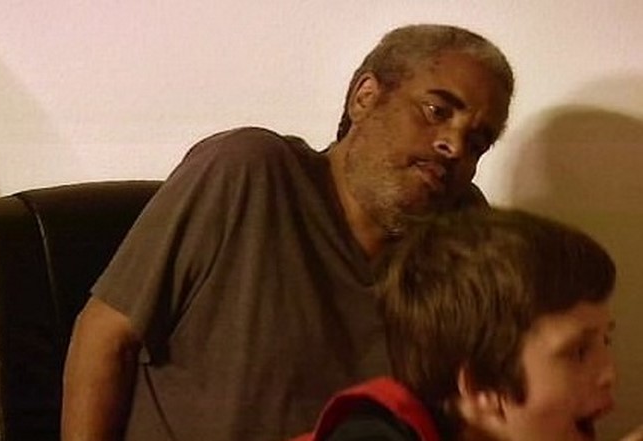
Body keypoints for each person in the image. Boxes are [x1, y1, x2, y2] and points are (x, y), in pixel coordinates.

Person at [61, 24, 514, 441]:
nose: (454, 146)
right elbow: (105, 336)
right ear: (365, 97)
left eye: (477, 142)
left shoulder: (457, 237)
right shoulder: (250, 171)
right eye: (436, 111)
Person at [294, 207, 624, 441]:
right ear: (481, 386)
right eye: (579, 352)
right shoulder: (373, 432)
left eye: (605, 342)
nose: (609, 373)